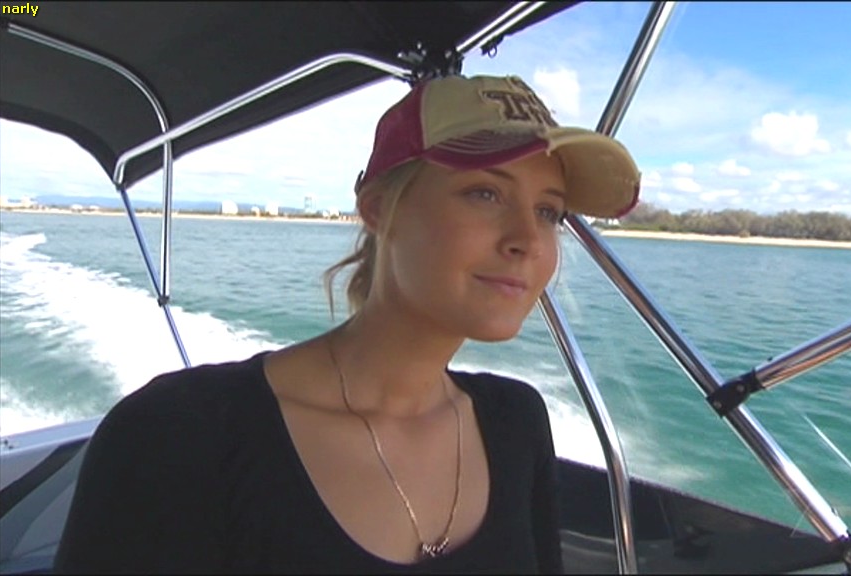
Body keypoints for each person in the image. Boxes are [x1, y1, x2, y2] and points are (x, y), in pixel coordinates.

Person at [54, 74, 641, 574]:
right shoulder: (178, 435)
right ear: (380, 209)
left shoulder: (517, 421)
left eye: (548, 211)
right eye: (485, 193)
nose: (528, 240)